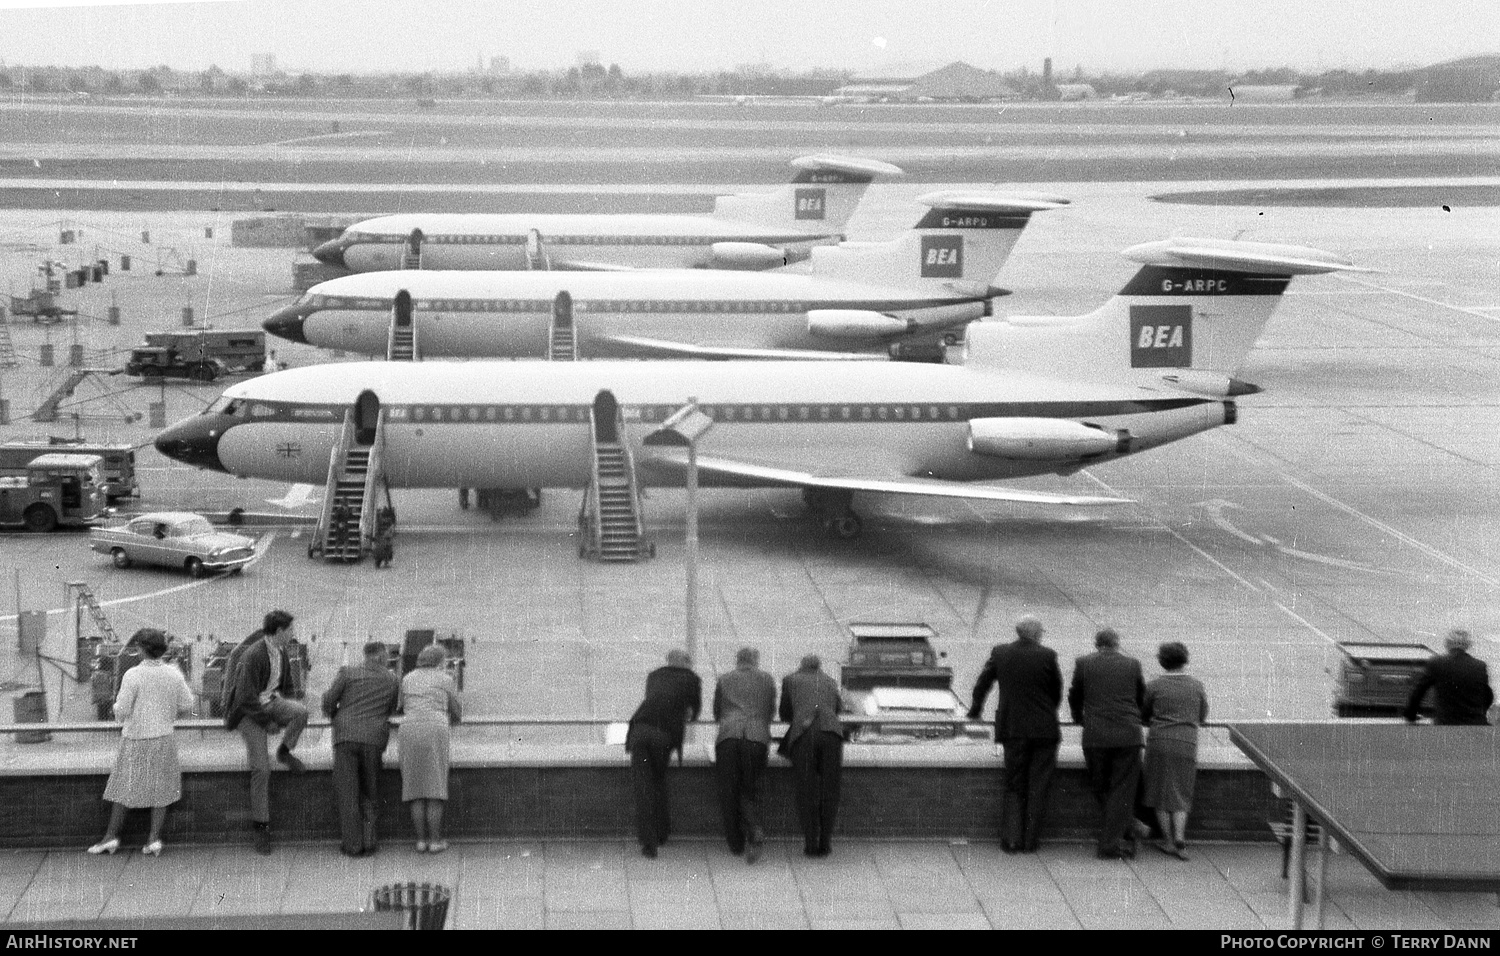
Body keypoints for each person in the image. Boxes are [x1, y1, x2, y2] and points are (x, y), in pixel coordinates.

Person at [87, 629, 195, 857]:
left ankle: (111, 837)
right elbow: (187, 704)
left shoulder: (133, 675)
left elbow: (122, 709)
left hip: (136, 738)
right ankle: (154, 839)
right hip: (163, 738)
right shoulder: (174, 673)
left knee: (123, 789)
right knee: (161, 790)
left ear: (142, 649)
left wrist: (117, 709)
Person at [967, 614, 1063, 854]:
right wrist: (1046, 710)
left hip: (1013, 729)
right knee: (1038, 785)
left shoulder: (1000, 653)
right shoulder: (1047, 655)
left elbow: (983, 684)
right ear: (1036, 633)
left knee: (1014, 784)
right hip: (1044, 730)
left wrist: (976, 710)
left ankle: (1011, 840)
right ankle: (1030, 842)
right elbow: (1056, 690)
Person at [224, 609, 309, 855]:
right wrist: (266, 722)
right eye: (291, 630)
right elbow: (243, 698)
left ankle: (284, 751)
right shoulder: (254, 655)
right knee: (261, 768)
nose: (294, 634)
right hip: (248, 713)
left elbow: (287, 686)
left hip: (269, 702)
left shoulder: (281, 651)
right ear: (280, 631)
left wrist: (288, 706)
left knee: (301, 712)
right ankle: (261, 827)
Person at [1068, 628, 1146, 860]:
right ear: (1117, 643)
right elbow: (1140, 696)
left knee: (1100, 785)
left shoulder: (1083, 663)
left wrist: (1077, 717)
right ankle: (1124, 832)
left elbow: (1075, 695)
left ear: (1096, 644)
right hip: (1128, 735)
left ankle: (1117, 839)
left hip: (1095, 734)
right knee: (1122, 789)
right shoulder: (1133, 664)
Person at [322, 641, 400, 857]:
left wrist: (336, 716)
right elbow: (392, 708)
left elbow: (328, 700)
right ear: (382, 657)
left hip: (345, 737)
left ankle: (353, 845)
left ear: (365, 656)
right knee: (371, 791)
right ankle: (369, 841)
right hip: (374, 739)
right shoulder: (392, 679)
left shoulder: (348, 673)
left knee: (347, 793)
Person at [626, 648, 702, 858]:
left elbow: (654, 699)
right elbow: (693, 711)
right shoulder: (691, 678)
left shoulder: (654, 675)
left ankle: (648, 842)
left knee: (643, 787)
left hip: (640, 733)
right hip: (662, 737)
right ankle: (661, 833)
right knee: (658, 781)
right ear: (686, 662)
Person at [1142, 642, 1208, 861]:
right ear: (1185, 659)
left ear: (1162, 661)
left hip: (1159, 741)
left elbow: (1143, 712)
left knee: (1159, 791)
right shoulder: (1196, 685)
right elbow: (1202, 715)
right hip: (1186, 742)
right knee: (1181, 791)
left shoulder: (1154, 686)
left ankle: (1169, 841)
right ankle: (1180, 837)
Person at [714, 647, 776, 864]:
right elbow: (770, 711)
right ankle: (754, 830)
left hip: (729, 737)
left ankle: (735, 843)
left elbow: (717, 711)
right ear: (756, 660)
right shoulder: (767, 680)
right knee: (750, 787)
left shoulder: (725, 679)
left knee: (728, 789)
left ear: (737, 660)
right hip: (757, 739)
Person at [779, 654, 844, 858]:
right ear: (819, 666)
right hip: (832, 734)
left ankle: (810, 844)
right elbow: (838, 708)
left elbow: (785, 713)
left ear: (801, 665)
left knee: (806, 791)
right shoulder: (830, 681)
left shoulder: (791, 680)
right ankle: (825, 843)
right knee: (829, 790)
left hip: (805, 735)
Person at [399, 643, 462, 852]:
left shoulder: (407, 679)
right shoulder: (445, 679)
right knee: (434, 788)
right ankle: (435, 841)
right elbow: (456, 711)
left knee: (415, 789)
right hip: (435, 729)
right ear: (439, 662)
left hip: (408, 730)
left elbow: (401, 706)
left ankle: (420, 840)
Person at [1404, 629, 1494, 725]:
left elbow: (1418, 692)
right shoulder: (1479, 666)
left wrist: (1410, 715)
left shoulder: (1437, 663)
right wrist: (1480, 713)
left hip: (1446, 723)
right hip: (1475, 724)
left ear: (1447, 644)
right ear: (1468, 645)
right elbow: (1487, 696)